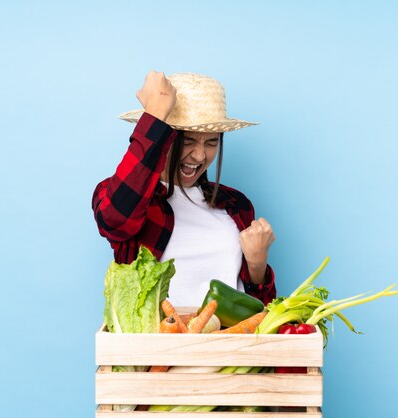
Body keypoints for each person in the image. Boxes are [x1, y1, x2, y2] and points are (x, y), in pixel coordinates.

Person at [92, 71, 276, 306]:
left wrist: (257, 265)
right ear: (165, 138)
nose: (199, 155)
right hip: (157, 340)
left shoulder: (235, 205)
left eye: (211, 142)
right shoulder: (123, 196)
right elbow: (115, 220)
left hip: (228, 340)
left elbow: (261, 310)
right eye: (187, 141)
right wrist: (156, 114)